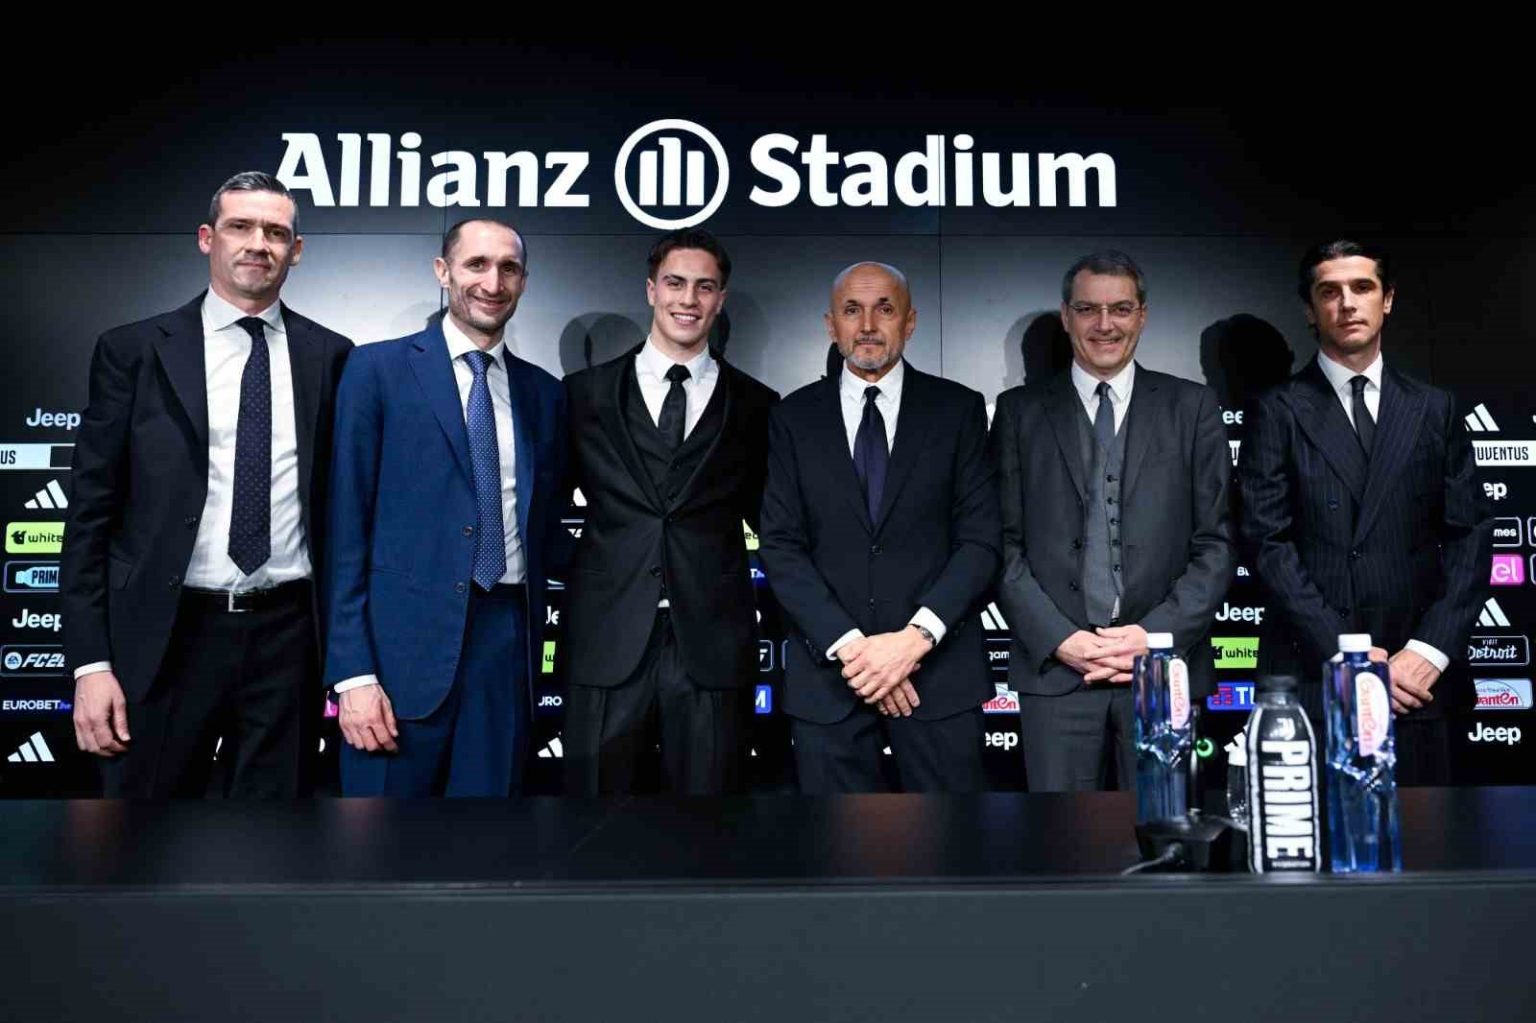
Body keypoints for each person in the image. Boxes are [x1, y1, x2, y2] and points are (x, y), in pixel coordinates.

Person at [62, 171, 352, 797]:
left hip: (289, 640)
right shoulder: (133, 350)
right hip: (164, 637)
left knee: (276, 839)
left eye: (276, 232)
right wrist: (90, 663)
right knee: (141, 837)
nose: (258, 244)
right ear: (206, 238)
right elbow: (88, 517)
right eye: (240, 226)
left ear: (297, 250)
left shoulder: (333, 356)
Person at [325, 219, 565, 796]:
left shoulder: (545, 393)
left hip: (504, 649)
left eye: (509, 268)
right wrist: (352, 673)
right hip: (394, 661)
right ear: (443, 271)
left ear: (524, 281)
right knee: (377, 843)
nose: (493, 282)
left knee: (486, 841)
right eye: (476, 264)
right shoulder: (375, 370)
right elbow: (344, 530)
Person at [1239, 240, 1492, 784]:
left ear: (1388, 299)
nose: (1347, 303)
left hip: (1417, 680)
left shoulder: (1435, 408)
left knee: (1431, 832)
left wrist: (1428, 651)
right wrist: (1347, 654)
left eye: (1362, 287)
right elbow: (1266, 542)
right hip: (1314, 672)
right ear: (1310, 310)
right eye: (1329, 292)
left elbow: (1469, 539)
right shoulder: (1276, 410)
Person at [991, 250, 1234, 791]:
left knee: (1165, 831)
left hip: (1163, 670)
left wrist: (1152, 637)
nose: (1105, 324)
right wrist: (1061, 639)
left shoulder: (1192, 407)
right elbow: (1001, 546)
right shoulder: (1018, 412)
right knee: (1060, 836)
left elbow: (1216, 543)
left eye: (1120, 309)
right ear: (1066, 316)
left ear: (1141, 316)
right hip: (1056, 675)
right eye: (1088, 309)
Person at [759, 261, 999, 793]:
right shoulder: (792, 418)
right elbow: (780, 546)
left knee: (953, 839)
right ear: (831, 325)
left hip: (937, 678)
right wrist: (855, 651)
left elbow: (980, 542)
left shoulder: (957, 410)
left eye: (884, 309)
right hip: (831, 682)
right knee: (836, 844)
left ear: (909, 322)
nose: (867, 324)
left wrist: (912, 643)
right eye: (852, 310)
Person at [560, 229, 777, 796]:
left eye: (704, 287)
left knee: (711, 828)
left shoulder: (758, 405)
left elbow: (777, 530)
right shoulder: (582, 395)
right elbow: (541, 513)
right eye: (675, 283)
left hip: (712, 645)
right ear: (651, 290)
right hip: (605, 640)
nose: (688, 299)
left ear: (720, 299)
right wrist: (594, 574)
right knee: (594, 824)